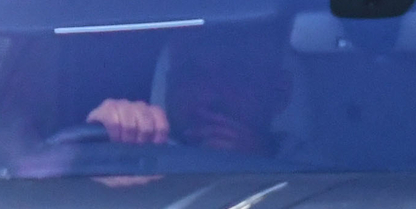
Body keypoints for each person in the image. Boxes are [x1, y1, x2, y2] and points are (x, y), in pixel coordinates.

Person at [83, 37, 291, 155]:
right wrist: (93, 142)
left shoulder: (314, 167)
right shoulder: (138, 153)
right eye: (190, 74)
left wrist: (260, 162)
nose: (208, 95)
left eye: (235, 73)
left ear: (280, 93)